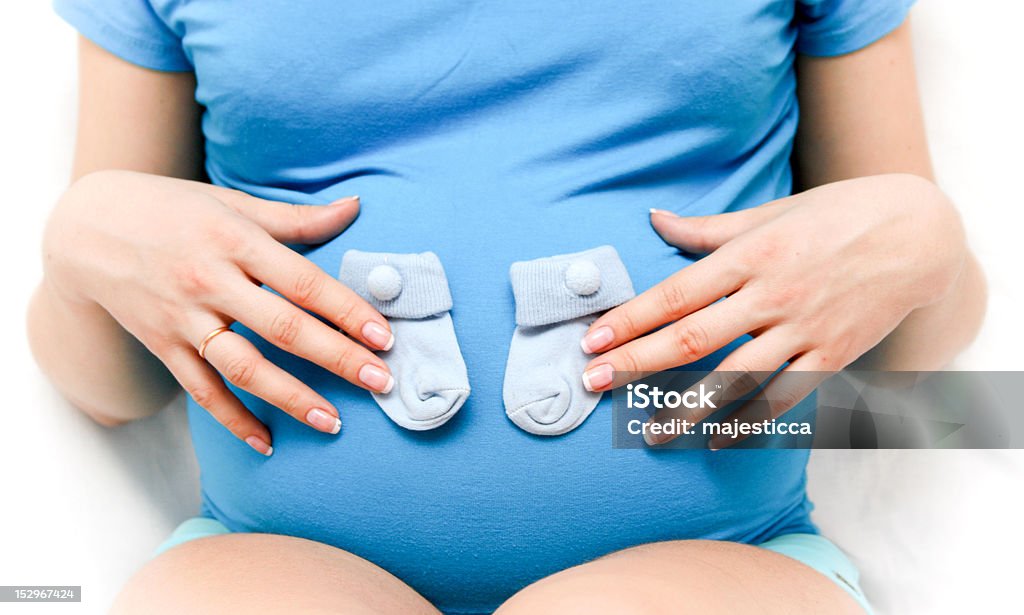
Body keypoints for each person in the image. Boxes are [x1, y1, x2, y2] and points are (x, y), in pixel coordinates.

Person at [28, 1, 986, 613]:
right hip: (266, 559)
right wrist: (78, 244)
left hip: (728, 559)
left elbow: (916, 383)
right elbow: (113, 393)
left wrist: (927, 238)